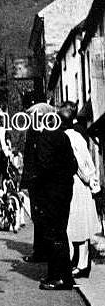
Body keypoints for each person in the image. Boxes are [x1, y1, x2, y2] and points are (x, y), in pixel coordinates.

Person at [34, 103, 78, 290]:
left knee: (52, 234)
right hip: (64, 191)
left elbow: (43, 167)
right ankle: (63, 275)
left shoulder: (46, 137)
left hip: (50, 193)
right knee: (60, 232)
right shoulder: (63, 137)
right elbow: (73, 166)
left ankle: (58, 277)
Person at [61, 102, 101, 280]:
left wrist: (89, 180)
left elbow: (81, 163)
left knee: (79, 224)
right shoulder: (72, 136)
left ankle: (83, 264)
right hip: (75, 183)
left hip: (78, 185)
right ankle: (80, 262)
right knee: (78, 224)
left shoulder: (72, 138)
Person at [20, 103, 50, 263]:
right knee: (37, 216)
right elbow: (27, 159)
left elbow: (32, 159)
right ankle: (40, 250)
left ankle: (41, 251)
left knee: (41, 216)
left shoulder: (41, 134)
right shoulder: (33, 132)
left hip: (41, 183)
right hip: (35, 183)